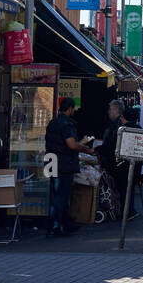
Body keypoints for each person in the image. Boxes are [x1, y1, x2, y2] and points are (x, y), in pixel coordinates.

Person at [44, 97, 92, 236]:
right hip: (62, 164)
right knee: (60, 196)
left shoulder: (53, 122)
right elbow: (71, 144)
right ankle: (54, 227)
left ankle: (66, 223)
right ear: (70, 109)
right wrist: (84, 148)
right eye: (73, 109)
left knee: (58, 195)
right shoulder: (66, 125)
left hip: (51, 161)